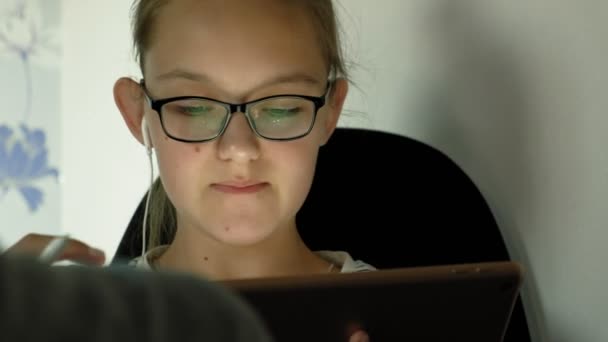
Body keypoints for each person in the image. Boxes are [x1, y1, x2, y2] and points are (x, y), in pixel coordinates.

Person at [6, 0, 374, 340]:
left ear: (330, 112)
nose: (239, 149)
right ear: (137, 115)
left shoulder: (406, 320)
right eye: (193, 108)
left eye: (281, 108)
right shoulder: (79, 325)